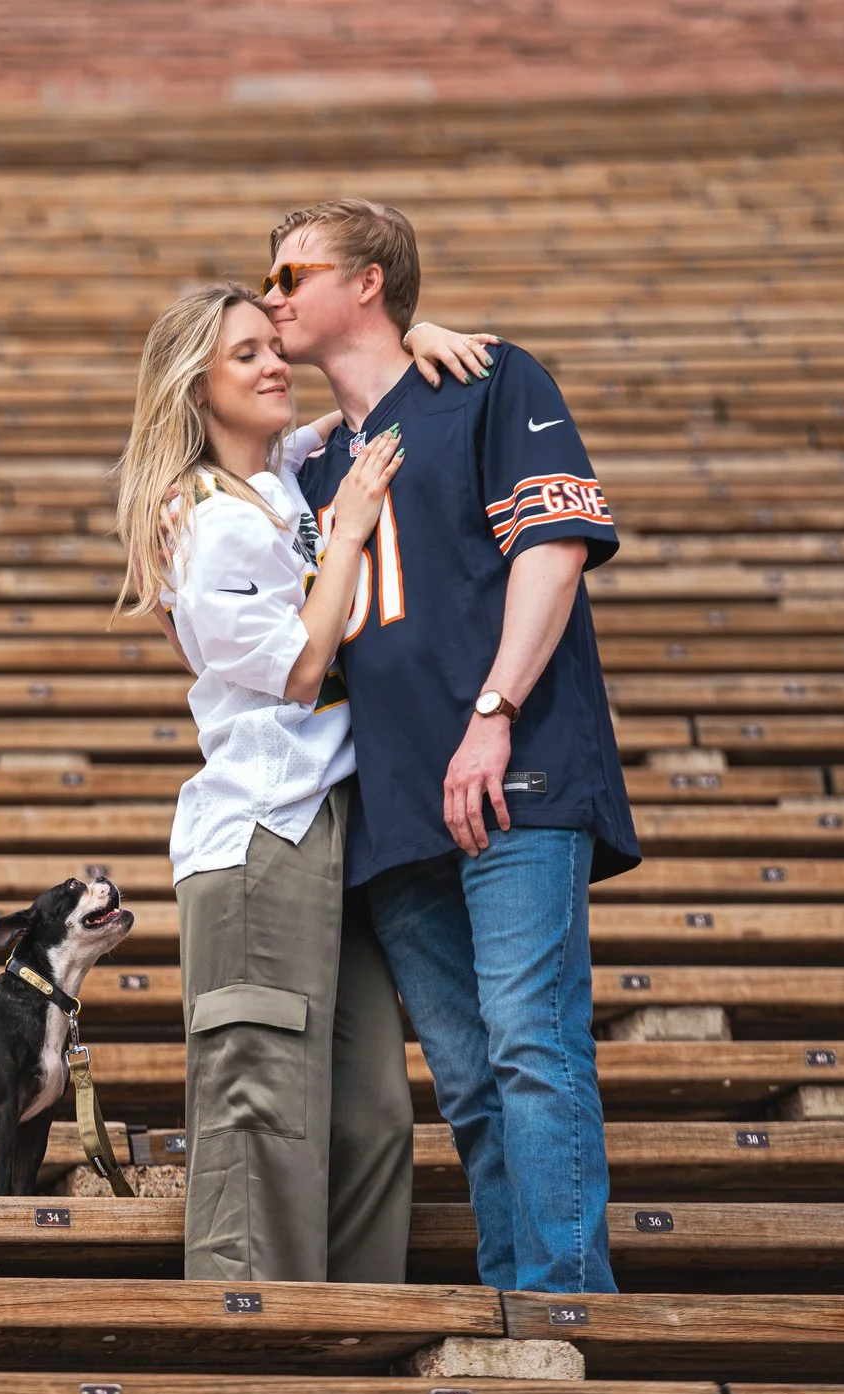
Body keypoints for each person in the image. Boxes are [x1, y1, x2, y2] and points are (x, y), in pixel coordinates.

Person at [269, 197, 637, 1295]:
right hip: (391, 800)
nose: (274, 295)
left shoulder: (486, 381)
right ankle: (512, 1301)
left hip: (510, 771)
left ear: (369, 281)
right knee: (473, 1080)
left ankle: (567, 1305)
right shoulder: (308, 462)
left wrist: (494, 711)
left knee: (531, 1048)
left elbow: (554, 548)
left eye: (294, 274)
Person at [112, 279, 494, 1285]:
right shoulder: (203, 522)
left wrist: (410, 331)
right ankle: (257, 1341)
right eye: (245, 355)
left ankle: (357, 1329)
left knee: (370, 1108)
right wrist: (356, 528)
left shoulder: (276, 473)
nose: (273, 363)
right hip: (259, 840)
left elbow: (357, 400)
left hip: (338, 826)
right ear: (196, 388)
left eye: (269, 346)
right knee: (261, 1104)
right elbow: (298, 667)